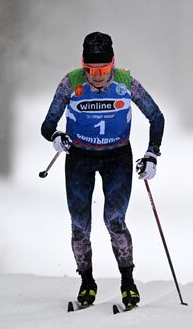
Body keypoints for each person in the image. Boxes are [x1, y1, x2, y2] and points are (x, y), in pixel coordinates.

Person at [41, 32, 164, 308]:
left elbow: (156, 117)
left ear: (113, 64)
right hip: (79, 158)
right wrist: (56, 137)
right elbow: (47, 125)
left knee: (115, 220)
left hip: (117, 157)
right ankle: (86, 282)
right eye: (91, 70)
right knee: (79, 227)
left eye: (103, 70)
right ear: (82, 65)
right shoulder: (70, 83)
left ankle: (128, 282)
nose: (97, 76)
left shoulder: (125, 82)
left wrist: (152, 154)